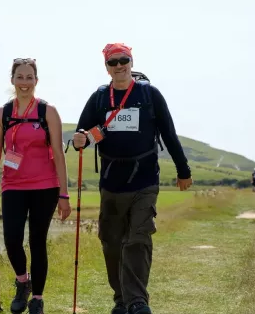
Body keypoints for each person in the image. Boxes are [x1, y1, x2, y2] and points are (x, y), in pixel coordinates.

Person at [71, 43, 192, 314]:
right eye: (113, 62)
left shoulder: (150, 94)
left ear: (131, 61)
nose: (119, 66)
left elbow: (170, 135)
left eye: (123, 60)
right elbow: (83, 133)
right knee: (112, 242)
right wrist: (79, 139)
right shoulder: (100, 98)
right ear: (106, 67)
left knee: (138, 238)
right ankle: (121, 299)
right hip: (112, 181)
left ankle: (137, 301)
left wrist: (183, 171)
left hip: (145, 179)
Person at [0, 58, 71, 314]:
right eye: (20, 77)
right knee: (11, 239)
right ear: (12, 80)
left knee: (37, 241)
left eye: (29, 77)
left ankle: (37, 299)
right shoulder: (3, 114)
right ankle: (23, 282)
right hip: (13, 185)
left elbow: (59, 155)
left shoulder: (47, 112)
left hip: (45, 186)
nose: (24, 82)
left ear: (36, 81)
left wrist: (64, 193)